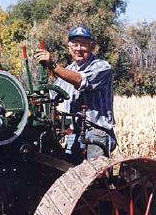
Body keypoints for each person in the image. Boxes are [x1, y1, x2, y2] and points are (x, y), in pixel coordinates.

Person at [33, 25, 116, 160]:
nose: (78, 49)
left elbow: (79, 80)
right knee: (68, 171)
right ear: (69, 48)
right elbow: (53, 94)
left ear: (91, 47)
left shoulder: (101, 67)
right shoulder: (68, 70)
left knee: (95, 175)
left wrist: (53, 65)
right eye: (75, 45)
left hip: (96, 132)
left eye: (83, 45)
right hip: (74, 133)